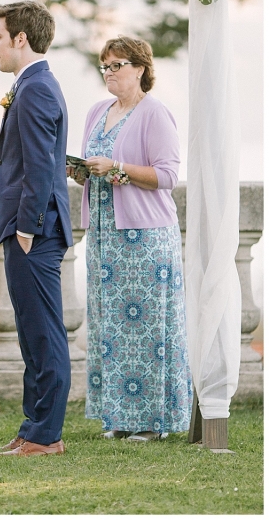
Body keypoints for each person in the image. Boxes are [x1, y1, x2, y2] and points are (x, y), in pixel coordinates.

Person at [69, 35, 192, 442]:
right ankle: (118, 416)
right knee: (111, 327)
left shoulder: (155, 114)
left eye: (117, 65)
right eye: (104, 66)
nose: (109, 73)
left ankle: (152, 421)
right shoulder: (96, 111)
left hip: (146, 236)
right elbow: (97, 166)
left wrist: (117, 167)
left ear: (140, 68)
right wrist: (83, 171)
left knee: (148, 328)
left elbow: (168, 176)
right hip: (104, 234)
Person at [0, 1, 73, 457]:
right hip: (27, 228)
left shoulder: (35, 89)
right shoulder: (31, 84)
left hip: (34, 231)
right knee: (30, 333)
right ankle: (33, 427)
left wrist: (28, 227)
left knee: (44, 333)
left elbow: (38, 165)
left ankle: (46, 435)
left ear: (21, 39)